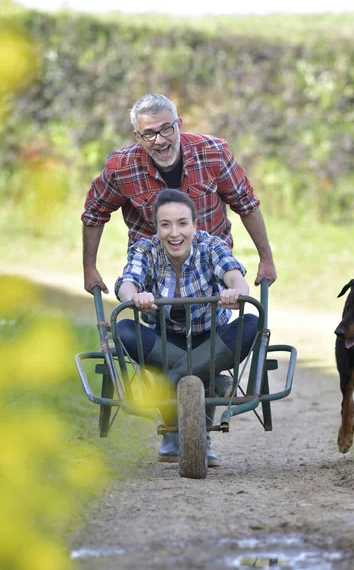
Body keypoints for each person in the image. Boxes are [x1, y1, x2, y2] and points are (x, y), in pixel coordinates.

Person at [115, 189, 259, 467]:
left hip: (209, 339)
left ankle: (187, 428)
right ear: (156, 228)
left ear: (195, 225)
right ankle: (214, 385)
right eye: (165, 224)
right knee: (124, 329)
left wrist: (235, 293)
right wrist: (135, 297)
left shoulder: (211, 246)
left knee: (251, 323)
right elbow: (128, 281)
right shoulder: (146, 249)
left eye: (182, 223)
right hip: (163, 341)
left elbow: (234, 276)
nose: (174, 233)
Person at [82, 93, 276, 294]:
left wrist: (266, 259)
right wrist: (89, 269)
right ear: (137, 137)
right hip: (153, 274)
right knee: (149, 322)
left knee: (228, 321)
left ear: (179, 125)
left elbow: (246, 204)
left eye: (166, 129)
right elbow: (94, 213)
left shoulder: (213, 154)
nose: (159, 140)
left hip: (210, 269)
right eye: (149, 134)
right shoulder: (122, 168)